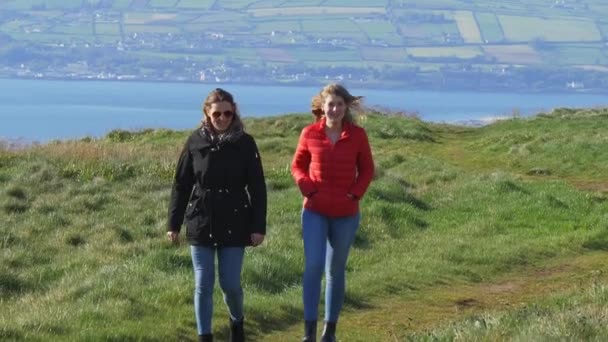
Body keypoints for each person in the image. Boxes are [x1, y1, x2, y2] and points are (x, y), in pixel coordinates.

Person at [167, 88, 267, 342]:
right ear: (206, 114)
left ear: (234, 112)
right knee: (203, 285)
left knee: (230, 285)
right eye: (217, 114)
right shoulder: (194, 142)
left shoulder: (245, 143)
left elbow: (257, 187)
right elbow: (181, 184)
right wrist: (173, 224)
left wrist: (258, 227)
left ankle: (237, 323)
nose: (222, 118)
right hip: (201, 218)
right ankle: (205, 337)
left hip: (235, 220)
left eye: (227, 113)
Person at [291, 83, 374, 342]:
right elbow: (297, 166)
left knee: (335, 270)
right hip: (315, 210)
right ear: (322, 106)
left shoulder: (358, 135)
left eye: (339, 104)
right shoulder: (309, 133)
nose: (335, 109)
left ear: (346, 106)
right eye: (330, 104)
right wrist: (307, 188)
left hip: (346, 213)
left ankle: (330, 332)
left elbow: (367, 170)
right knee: (314, 266)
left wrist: (354, 194)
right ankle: (309, 334)